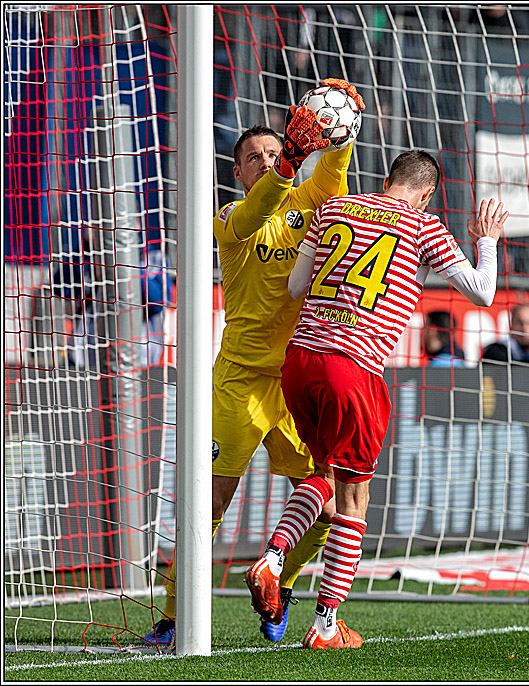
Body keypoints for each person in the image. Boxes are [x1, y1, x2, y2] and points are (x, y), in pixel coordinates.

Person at [243, 150, 507, 650]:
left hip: (299, 362)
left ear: (385, 179)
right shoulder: (425, 226)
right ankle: (323, 624)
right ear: (427, 194)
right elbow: (482, 294)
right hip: (355, 367)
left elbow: (297, 286)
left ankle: (275, 559)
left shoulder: (334, 208)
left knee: (323, 476)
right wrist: (487, 242)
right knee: (355, 497)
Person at [143, 78, 366, 649]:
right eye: (255, 158)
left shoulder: (310, 202)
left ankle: (281, 582)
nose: (266, 162)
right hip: (239, 380)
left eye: (274, 151)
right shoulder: (231, 218)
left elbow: (333, 175)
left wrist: (340, 133)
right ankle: (172, 618)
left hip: (295, 376)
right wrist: (289, 163)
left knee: (328, 498)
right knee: (210, 500)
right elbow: (264, 202)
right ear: (239, 173)